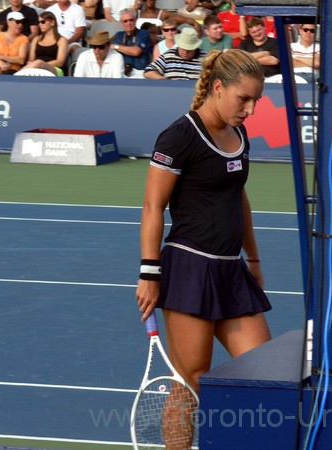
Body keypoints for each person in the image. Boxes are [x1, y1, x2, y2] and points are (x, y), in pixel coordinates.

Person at [136, 48, 271, 447]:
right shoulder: (179, 135)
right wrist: (149, 272)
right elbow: (152, 206)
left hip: (232, 271)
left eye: (255, 101)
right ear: (217, 88)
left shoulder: (239, 134)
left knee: (265, 372)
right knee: (190, 381)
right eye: (243, 98)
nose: (249, 109)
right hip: (190, 269)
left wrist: (254, 257)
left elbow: (239, 198)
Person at [20, 11, 68, 76]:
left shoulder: (62, 40)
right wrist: (38, 65)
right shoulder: (36, 39)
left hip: (55, 69)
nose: (40, 24)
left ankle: (15, 78)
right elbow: (31, 60)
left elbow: (60, 62)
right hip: (37, 69)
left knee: (39, 62)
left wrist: (42, 65)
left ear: (52, 22)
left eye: (43, 22)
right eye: (39, 22)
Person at [112, 8, 152, 78]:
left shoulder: (143, 33)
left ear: (135, 20)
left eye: (131, 20)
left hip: (140, 72)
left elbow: (136, 51)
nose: (129, 23)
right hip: (122, 72)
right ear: (121, 22)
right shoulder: (119, 35)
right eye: (125, 21)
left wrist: (117, 47)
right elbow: (109, 48)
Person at [135, 0, 202, 37]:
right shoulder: (137, 13)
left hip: (158, 46)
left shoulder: (163, 13)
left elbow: (188, 20)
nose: (148, 1)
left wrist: (198, 34)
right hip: (141, 48)